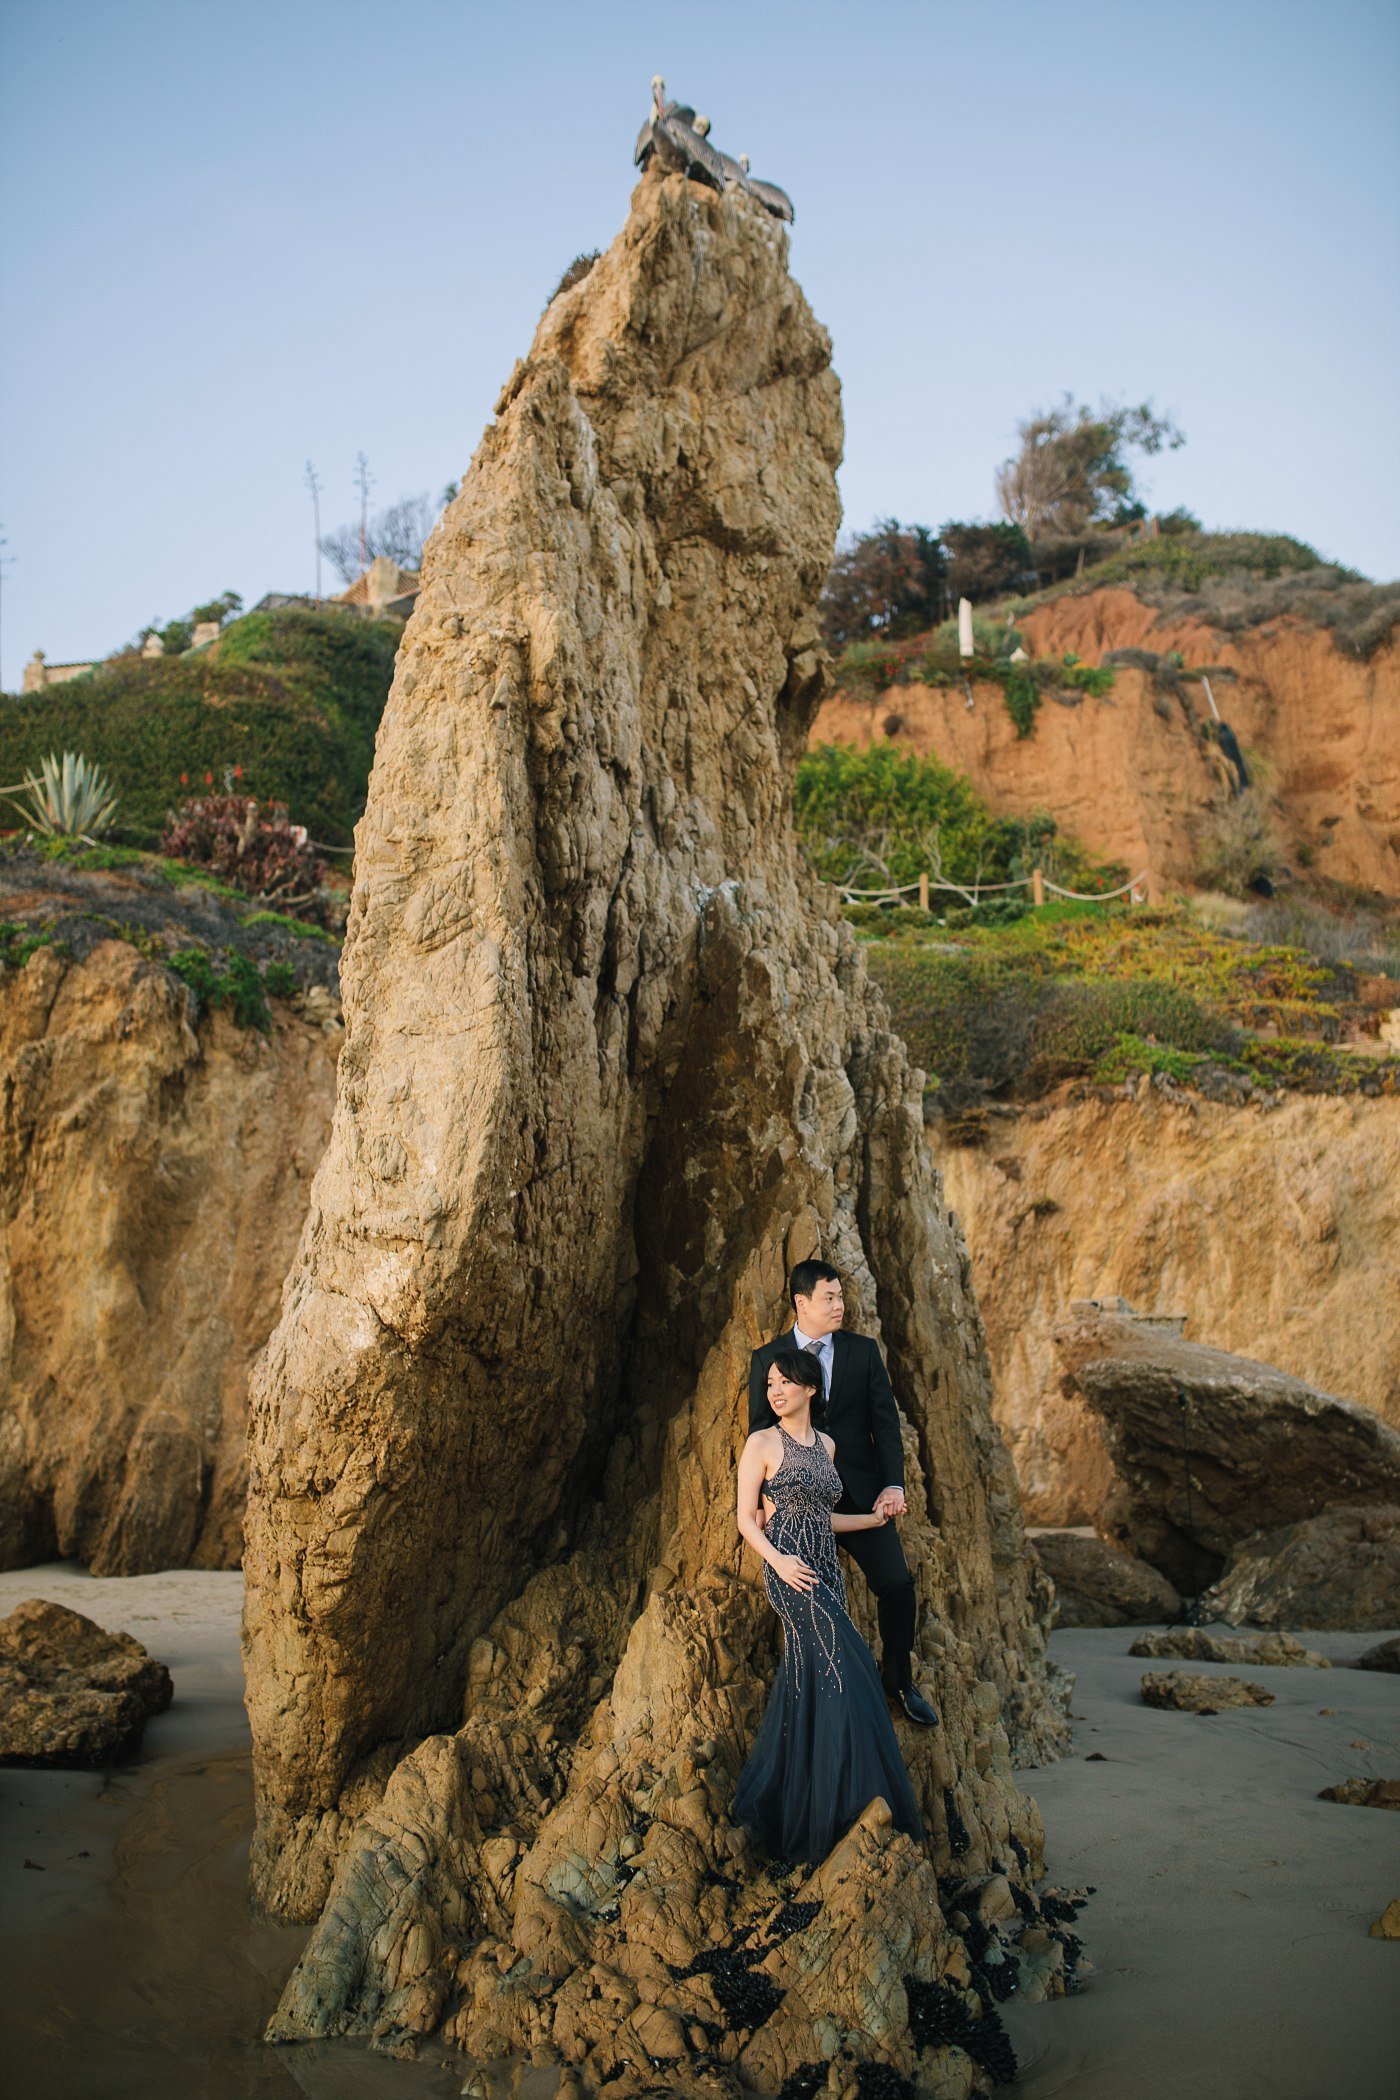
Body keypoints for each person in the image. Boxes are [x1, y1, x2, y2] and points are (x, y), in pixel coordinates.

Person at [733, 1351, 923, 1864]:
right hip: (790, 1567)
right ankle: (843, 1806)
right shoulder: (761, 1442)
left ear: (810, 1389)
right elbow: (746, 1519)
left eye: (785, 1383)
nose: (775, 1391)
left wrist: (873, 1521)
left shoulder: (828, 1444)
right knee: (848, 1668)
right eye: (770, 1383)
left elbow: (826, 1518)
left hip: (826, 1566)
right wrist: (781, 1562)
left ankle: (799, 1800)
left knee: (812, 1677)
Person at [748, 1258, 938, 1728]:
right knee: (809, 1605)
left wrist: (892, 1486)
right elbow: (759, 1429)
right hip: (794, 1504)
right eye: (829, 1297)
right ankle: (811, 1701)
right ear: (802, 1302)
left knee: (896, 1584)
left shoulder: (862, 1351)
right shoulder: (767, 1359)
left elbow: (885, 1424)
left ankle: (897, 1678)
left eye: (840, 1295)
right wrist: (761, 1503)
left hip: (858, 1496)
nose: (840, 1305)